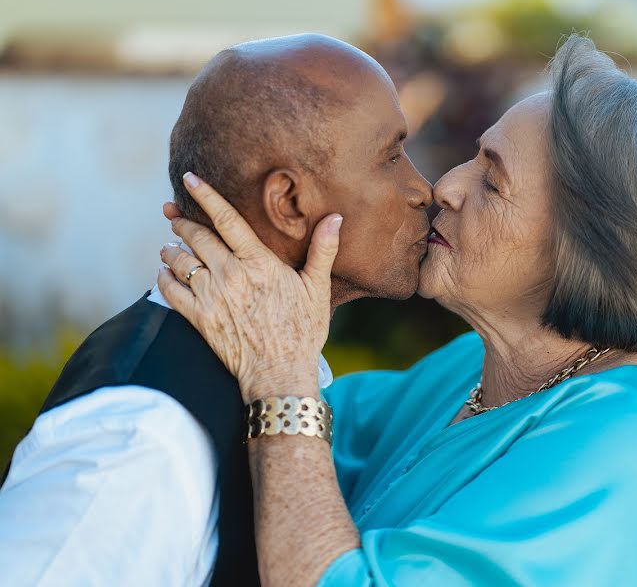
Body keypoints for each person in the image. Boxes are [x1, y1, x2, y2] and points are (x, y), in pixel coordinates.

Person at [155, 35, 637, 586]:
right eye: (475, 156)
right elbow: (280, 454)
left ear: (584, 249)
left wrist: (281, 374)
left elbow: (288, 422)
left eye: (492, 182)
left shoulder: (635, 454)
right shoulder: (467, 372)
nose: (444, 185)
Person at [0, 34, 432, 586]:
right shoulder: (142, 440)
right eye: (391, 156)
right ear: (291, 204)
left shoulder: (262, 372)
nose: (423, 189)